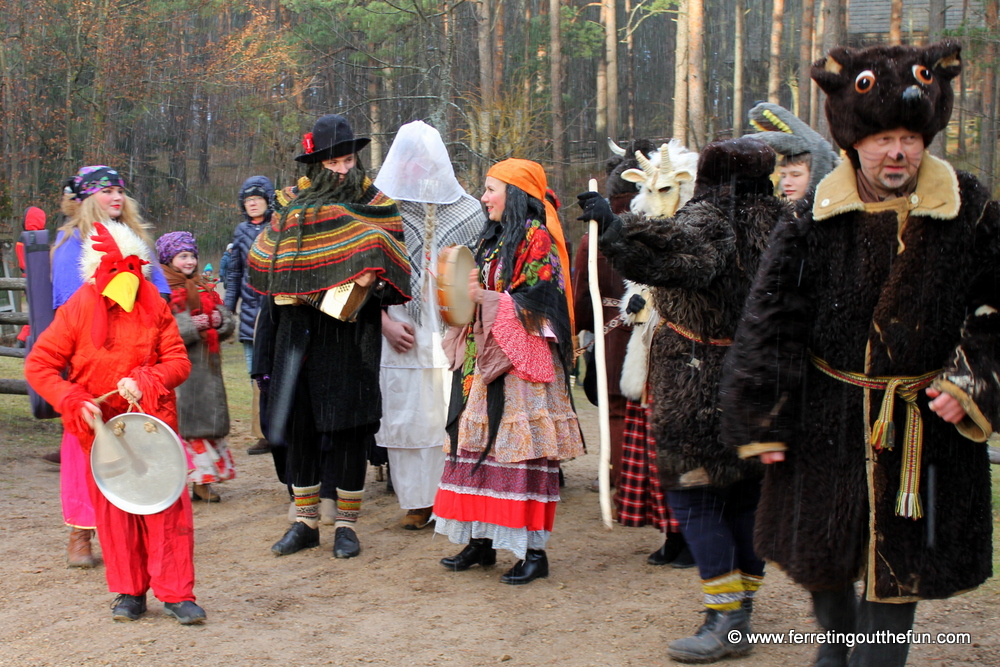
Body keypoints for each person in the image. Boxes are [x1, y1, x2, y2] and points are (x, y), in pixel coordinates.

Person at [721, 41, 996, 666]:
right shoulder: (813, 217)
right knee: (825, 562)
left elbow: (997, 310)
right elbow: (770, 321)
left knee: (900, 571)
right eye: (880, 138)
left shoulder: (971, 210)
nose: (895, 151)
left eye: (908, 136)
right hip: (826, 419)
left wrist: (972, 380)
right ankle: (834, 647)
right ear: (852, 139)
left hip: (922, 428)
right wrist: (762, 413)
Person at [579, 136, 787, 662]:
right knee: (743, 495)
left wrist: (617, 227)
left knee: (693, 496)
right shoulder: (784, 220)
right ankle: (740, 611)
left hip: (702, 381)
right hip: (762, 379)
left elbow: (678, 256)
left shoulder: (716, 218)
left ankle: (724, 620)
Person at [25, 221, 205, 625]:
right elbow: (40, 364)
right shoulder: (78, 308)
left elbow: (177, 361)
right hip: (102, 433)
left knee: (167, 512)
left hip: (153, 425)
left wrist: (149, 378)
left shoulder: (155, 305)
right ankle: (129, 591)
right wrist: (71, 398)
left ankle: (177, 592)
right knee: (115, 512)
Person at [249, 113, 411, 559]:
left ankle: (346, 525)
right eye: (334, 162)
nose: (343, 169)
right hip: (296, 329)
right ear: (315, 163)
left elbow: (393, 253)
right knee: (300, 423)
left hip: (352, 331)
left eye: (348, 160)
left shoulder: (375, 202)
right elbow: (266, 260)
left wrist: (372, 281)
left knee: (349, 426)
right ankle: (304, 523)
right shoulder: (285, 205)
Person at [432, 158, 584, 585]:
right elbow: (477, 293)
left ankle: (533, 554)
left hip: (523, 368)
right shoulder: (492, 239)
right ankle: (480, 543)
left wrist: (489, 301)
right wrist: (456, 291)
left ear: (515, 194)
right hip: (486, 362)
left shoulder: (540, 240)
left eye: (491, 189)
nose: (483, 197)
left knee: (520, 454)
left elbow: (546, 317)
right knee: (476, 448)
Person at [48, 166, 172, 569]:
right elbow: (69, 311)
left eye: (119, 189)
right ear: (86, 198)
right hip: (92, 362)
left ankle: (141, 525)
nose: (116, 197)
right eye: (105, 191)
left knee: (140, 444)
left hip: (139, 363)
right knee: (87, 448)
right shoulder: (71, 245)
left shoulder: (137, 241)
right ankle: (80, 533)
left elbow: (159, 298)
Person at [371, 120, 485, 530]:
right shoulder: (383, 211)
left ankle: (451, 499)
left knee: (448, 413)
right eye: (411, 160)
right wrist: (381, 320)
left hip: (451, 329)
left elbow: (483, 271)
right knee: (408, 414)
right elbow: (366, 275)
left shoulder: (470, 210)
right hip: (402, 328)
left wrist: (466, 319)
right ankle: (416, 502)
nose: (419, 168)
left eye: (427, 160)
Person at [157, 231, 237, 503]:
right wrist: (195, 325)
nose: (189, 261)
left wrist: (219, 320)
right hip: (183, 371)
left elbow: (226, 318)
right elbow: (162, 329)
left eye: (192, 255)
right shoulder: (163, 289)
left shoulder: (204, 286)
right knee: (190, 426)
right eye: (183, 256)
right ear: (169, 259)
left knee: (208, 424)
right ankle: (196, 481)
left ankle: (203, 481)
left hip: (208, 366)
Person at [225, 176, 276, 456]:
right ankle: (263, 433)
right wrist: (227, 308)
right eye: (247, 199)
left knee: (276, 372)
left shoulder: (280, 227)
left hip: (276, 311)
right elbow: (234, 273)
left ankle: (280, 427)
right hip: (249, 313)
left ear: (268, 200)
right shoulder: (240, 231)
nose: (253, 202)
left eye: (257, 197)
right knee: (256, 375)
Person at [747, 101, 839, 202]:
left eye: (796, 175)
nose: (786, 183)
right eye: (783, 175)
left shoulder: (843, 215)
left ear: (819, 173)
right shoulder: (780, 214)